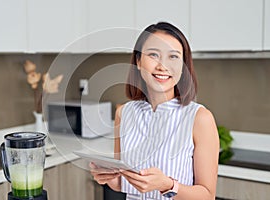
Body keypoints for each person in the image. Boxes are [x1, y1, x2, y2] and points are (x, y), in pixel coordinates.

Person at [90, 22, 219, 200]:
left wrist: (168, 186)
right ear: (138, 61)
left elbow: (207, 196)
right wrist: (110, 180)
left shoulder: (199, 118)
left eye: (173, 57)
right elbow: (126, 183)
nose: (162, 66)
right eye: (153, 55)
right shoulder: (124, 113)